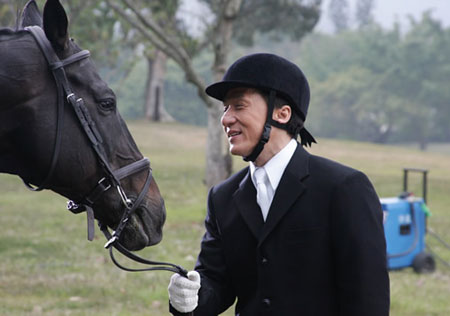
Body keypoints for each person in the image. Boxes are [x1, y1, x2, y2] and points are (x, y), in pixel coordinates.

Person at [167, 53, 390, 315]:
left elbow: (367, 300)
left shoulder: (344, 188)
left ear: (282, 114)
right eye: (225, 108)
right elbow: (217, 283)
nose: (226, 119)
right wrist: (191, 298)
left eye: (239, 106)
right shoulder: (222, 197)